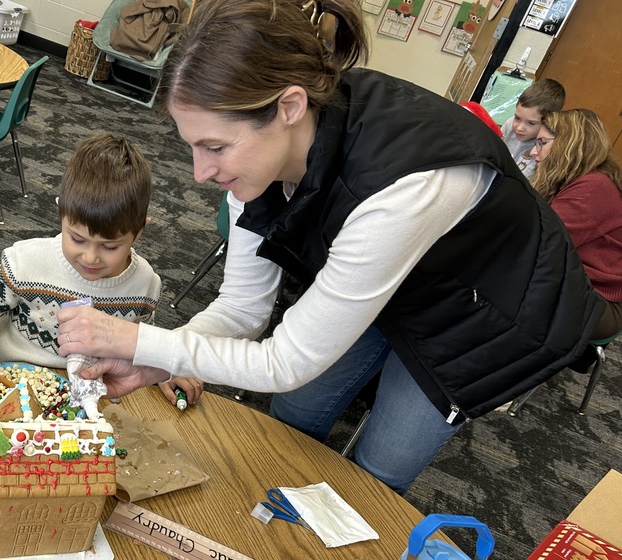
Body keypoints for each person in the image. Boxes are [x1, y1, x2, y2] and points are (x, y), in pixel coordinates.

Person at [56, 0, 603, 493]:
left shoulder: (400, 188)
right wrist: (157, 359)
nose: (201, 172)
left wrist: (140, 341)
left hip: (489, 309)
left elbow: (286, 360)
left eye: (215, 147)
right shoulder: (262, 160)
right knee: (299, 409)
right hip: (401, 271)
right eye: (193, 147)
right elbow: (242, 309)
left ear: (290, 107)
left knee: (382, 465)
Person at [0, 132, 166, 375]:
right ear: (61, 212)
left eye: (109, 246)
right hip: (12, 377)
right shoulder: (27, 260)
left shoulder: (145, 284)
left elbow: (144, 344)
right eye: (77, 239)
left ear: (138, 232)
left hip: (94, 388)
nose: (90, 257)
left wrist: (162, 367)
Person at [530, 109, 622, 341]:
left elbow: (538, 240)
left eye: (542, 143)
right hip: (579, 285)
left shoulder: (593, 188)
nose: (533, 152)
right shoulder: (585, 181)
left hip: (600, 301)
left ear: (567, 145)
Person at [499, 78, 565, 180]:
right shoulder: (509, 124)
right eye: (517, 118)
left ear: (548, 123)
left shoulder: (544, 148)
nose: (519, 128)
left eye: (531, 123)